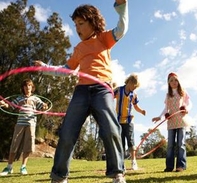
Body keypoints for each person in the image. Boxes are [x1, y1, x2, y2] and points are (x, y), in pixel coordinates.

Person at [34, 0, 128, 183]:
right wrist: (45, 68)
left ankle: (117, 173)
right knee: (68, 131)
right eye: (75, 24)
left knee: (110, 128)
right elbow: (65, 69)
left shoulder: (103, 38)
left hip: (102, 88)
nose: (77, 28)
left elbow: (122, 29)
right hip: (82, 91)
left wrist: (122, 8)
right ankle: (59, 176)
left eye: (81, 23)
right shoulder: (79, 48)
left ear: (92, 22)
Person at [0, 79, 48, 176]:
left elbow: (43, 107)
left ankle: (23, 167)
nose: (27, 87)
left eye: (29, 85)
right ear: (23, 88)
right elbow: (10, 106)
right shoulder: (19, 98)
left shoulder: (36, 98)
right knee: (14, 144)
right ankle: (9, 167)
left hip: (31, 124)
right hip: (20, 123)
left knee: (28, 145)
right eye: (25, 86)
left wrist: (45, 106)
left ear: (32, 87)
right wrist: (3, 104)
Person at [152, 72, 192, 172]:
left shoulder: (183, 92)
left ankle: (181, 166)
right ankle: (169, 166)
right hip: (171, 122)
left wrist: (186, 108)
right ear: (168, 83)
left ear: (178, 81)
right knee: (170, 145)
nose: (174, 82)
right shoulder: (168, 95)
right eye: (171, 81)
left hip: (181, 120)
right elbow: (166, 108)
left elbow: (189, 103)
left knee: (181, 144)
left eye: (176, 80)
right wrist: (159, 117)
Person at [113, 74, 146, 171]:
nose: (134, 89)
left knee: (131, 141)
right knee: (120, 142)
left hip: (129, 120)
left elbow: (135, 106)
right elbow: (109, 96)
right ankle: (121, 163)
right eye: (134, 86)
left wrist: (141, 111)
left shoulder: (134, 95)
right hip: (118, 120)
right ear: (130, 82)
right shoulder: (119, 90)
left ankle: (133, 161)